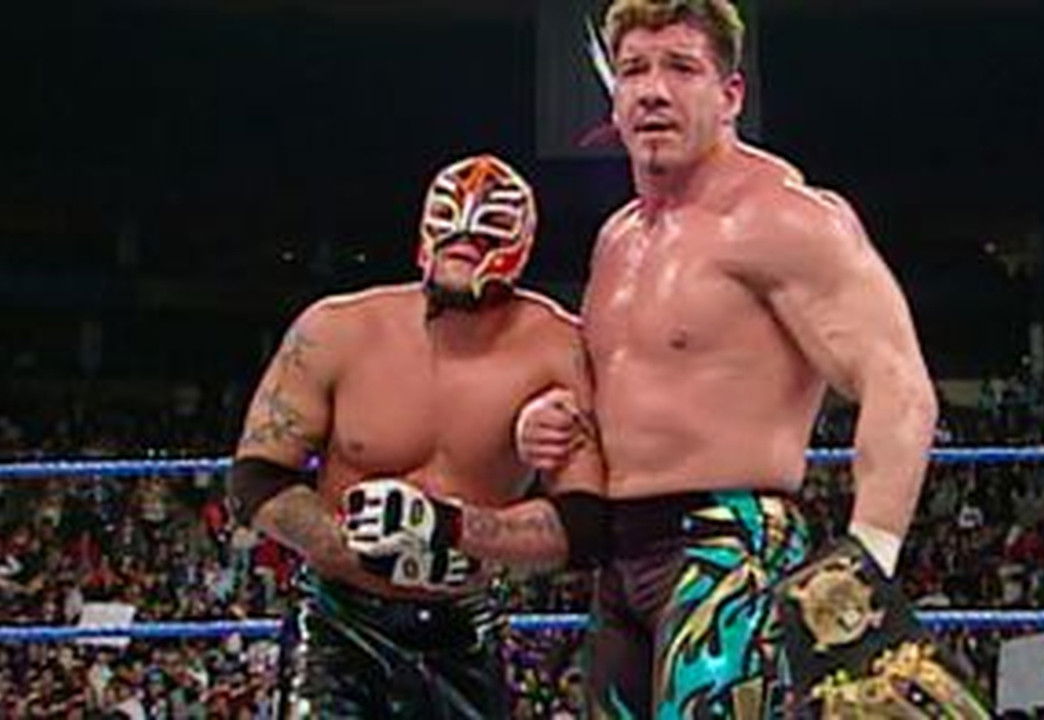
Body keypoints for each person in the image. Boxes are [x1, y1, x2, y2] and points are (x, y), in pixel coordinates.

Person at [518, 1, 985, 716]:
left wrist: (868, 558)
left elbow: (898, 385)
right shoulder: (618, 239)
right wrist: (548, 422)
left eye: (681, 68)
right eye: (634, 70)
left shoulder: (783, 217)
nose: (653, 91)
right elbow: (622, 389)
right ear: (614, 97)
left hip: (729, 546)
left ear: (730, 95)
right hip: (618, 555)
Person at [229, 153, 606, 718]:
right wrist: (350, 548)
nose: (463, 242)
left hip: (463, 624)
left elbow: (584, 526)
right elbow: (256, 482)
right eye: (449, 226)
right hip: (338, 622)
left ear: (520, 246)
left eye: (485, 231)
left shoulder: (560, 350)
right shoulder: (336, 330)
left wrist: (452, 528)